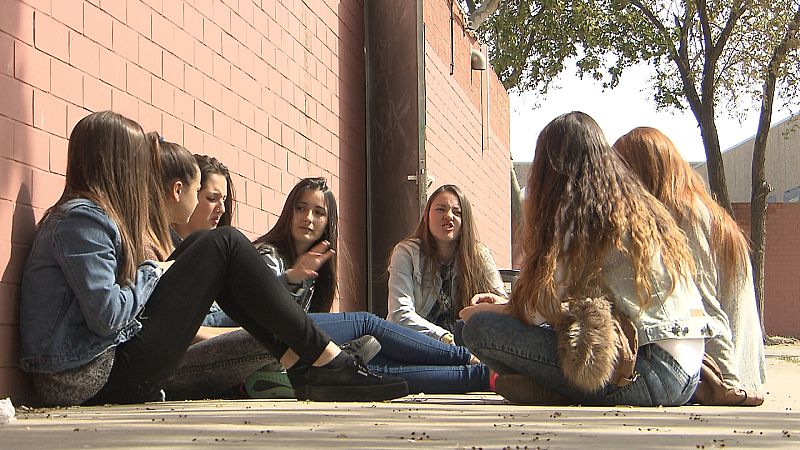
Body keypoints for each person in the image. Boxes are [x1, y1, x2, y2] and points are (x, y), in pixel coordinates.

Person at [18, 111, 408, 406]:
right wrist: (153, 273)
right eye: (138, 163)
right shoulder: (83, 219)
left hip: (101, 365)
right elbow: (107, 314)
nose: (142, 176)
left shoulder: (89, 217)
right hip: (90, 377)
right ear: (116, 165)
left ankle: (305, 364)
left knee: (214, 246)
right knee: (223, 244)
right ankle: (322, 362)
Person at [460, 111, 714, 406]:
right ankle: (551, 389)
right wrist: (506, 306)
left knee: (476, 330)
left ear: (549, 166)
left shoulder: (578, 214)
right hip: (689, 375)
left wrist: (496, 312)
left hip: (641, 372)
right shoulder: (639, 208)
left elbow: (539, 310)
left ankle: (551, 389)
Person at [170, 174, 489, 395]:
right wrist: (291, 278)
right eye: (300, 208)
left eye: (318, 212)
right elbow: (251, 311)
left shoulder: (317, 269)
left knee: (369, 367)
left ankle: (483, 377)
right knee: (365, 322)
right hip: (257, 347)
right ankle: (469, 364)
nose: (307, 218)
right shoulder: (269, 257)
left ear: (328, 223)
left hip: (280, 357)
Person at [613, 127, 766, 391]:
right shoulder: (695, 207)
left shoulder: (687, 214)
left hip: (724, 372)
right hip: (728, 368)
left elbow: (706, 307)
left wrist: (729, 383)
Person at [387, 184, 507, 344]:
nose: (448, 216)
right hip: (418, 344)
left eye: (457, 212)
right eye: (440, 209)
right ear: (426, 215)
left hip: (467, 346)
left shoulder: (479, 255)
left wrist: (497, 304)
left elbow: (504, 306)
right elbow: (399, 315)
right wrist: (446, 339)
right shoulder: (406, 253)